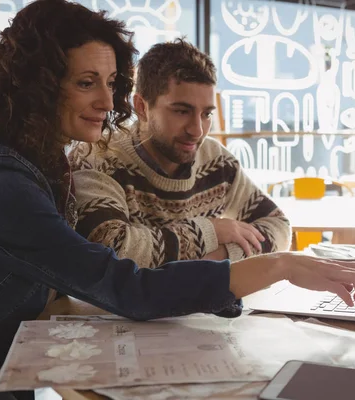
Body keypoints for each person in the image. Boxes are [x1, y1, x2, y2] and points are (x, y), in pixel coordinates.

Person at [0, 1, 355, 399]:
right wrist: (276, 266)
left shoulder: (42, 167)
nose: (106, 100)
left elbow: (72, 291)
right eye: (85, 82)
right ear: (35, 87)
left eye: (111, 82)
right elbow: (126, 284)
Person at [69, 39, 291, 268]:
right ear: (142, 107)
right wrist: (212, 231)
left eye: (206, 114)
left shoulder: (216, 160)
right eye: (182, 111)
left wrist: (220, 257)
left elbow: (279, 226)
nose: (197, 130)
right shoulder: (96, 159)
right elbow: (113, 250)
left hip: (205, 301)